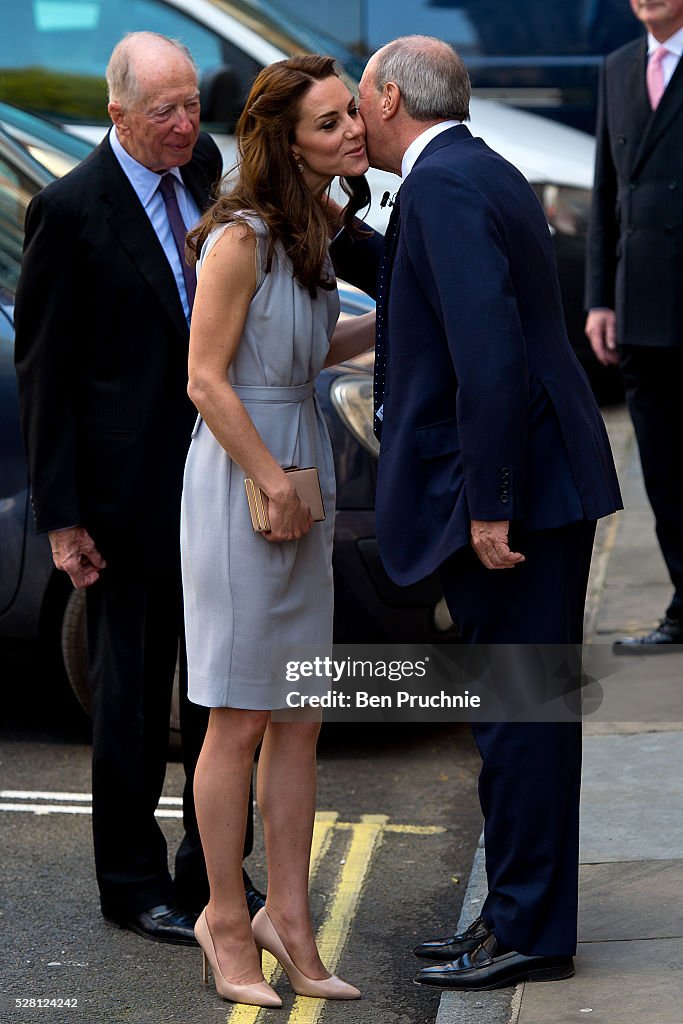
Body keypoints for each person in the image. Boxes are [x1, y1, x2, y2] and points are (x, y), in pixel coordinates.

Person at [356, 36, 622, 990]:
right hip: (538, 486)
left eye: (358, 103)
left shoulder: (447, 185)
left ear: (389, 97)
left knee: (522, 722)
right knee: (521, 716)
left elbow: (490, 357)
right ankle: (515, 916)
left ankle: (527, 932)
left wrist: (489, 503)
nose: (356, 120)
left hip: (523, 500)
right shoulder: (471, 170)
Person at [13, 31, 263, 945]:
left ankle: (212, 869)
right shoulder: (70, 209)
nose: (186, 123)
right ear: (117, 113)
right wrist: (63, 518)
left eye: (193, 102)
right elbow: (45, 372)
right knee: (130, 701)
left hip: (215, 480)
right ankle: (131, 882)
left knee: (217, 693)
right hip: (124, 500)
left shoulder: (201, 168)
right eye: (164, 108)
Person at [180, 55, 374, 1007]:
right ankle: (226, 916)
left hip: (302, 462)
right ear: (284, 139)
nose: (353, 131)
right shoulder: (239, 238)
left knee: (300, 717)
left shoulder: (317, 229)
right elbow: (207, 378)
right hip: (240, 475)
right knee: (237, 715)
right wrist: (267, 480)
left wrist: (387, 328)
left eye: (351, 117)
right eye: (332, 122)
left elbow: (304, 345)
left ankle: (288, 921)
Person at [585, 0, 683, 650]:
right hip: (640, 307)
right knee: (662, 469)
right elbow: (604, 193)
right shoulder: (617, 66)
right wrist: (599, 299)